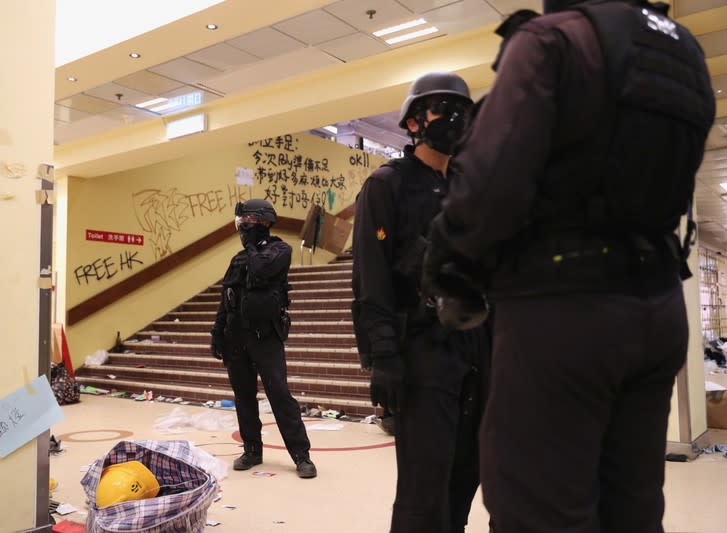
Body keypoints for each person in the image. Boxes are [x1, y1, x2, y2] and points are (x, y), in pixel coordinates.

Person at [422, 1, 715, 530]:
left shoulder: (553, 39)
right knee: (632, 505)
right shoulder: (683, 48)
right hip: (660, 304)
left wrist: (447, 257)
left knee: (538, 509)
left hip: (564, 311)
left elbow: (490, 182)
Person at [351, 71, 491, 533]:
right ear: (413, 122)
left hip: (478, 348)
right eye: (440, 108)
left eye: (462, 112)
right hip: (423, 350)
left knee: (468, 474)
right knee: (423, 488)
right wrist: (383, 356)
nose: (453, 119)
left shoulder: (471, 187)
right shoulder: (388, 185)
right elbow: (371, 279)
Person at [210, 199, 317, 479]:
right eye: (242, 222)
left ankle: (301, 455)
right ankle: (252, 450)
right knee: (244, 397)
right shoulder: (238, 259)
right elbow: (227, 298)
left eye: (249, 222)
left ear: (265, 222)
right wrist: (217, 331)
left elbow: (260, 270)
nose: (244, 227)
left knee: (279, 395)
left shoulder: (280, 250)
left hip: (266, 337)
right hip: (236, 338)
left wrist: (251, 244)